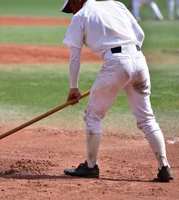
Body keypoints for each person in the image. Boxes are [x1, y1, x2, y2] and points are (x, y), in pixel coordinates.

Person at [60, 0, 173, 182]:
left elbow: (75, 55)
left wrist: (73, 87)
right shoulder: (116, 4)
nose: (71, 12)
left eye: (70, 7)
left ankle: (90, 166)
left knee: (93, 116)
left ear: (78, 0)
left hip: (117, 63)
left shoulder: (81, 16)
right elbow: (140, 34)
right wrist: (130, 61)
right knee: (146, 118)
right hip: (139, 61)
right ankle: (164, 167)